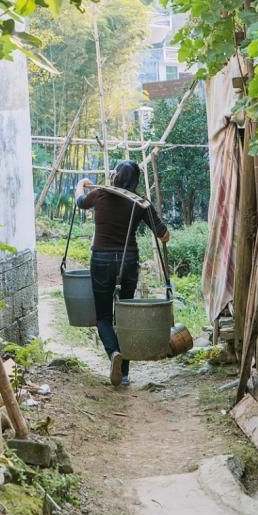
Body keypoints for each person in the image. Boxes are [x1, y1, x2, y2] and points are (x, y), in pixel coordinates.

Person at [74, 161, 169, 387]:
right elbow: (163, 235)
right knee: (124, 316)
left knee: (104, 317)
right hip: (128, 262)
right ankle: (124, 374)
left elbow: (80, 202)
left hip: (101, 260)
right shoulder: (140, 203)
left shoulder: (99, 194)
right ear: (135, 180)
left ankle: (114, 353)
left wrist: (81, 184)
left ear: (115, 176)